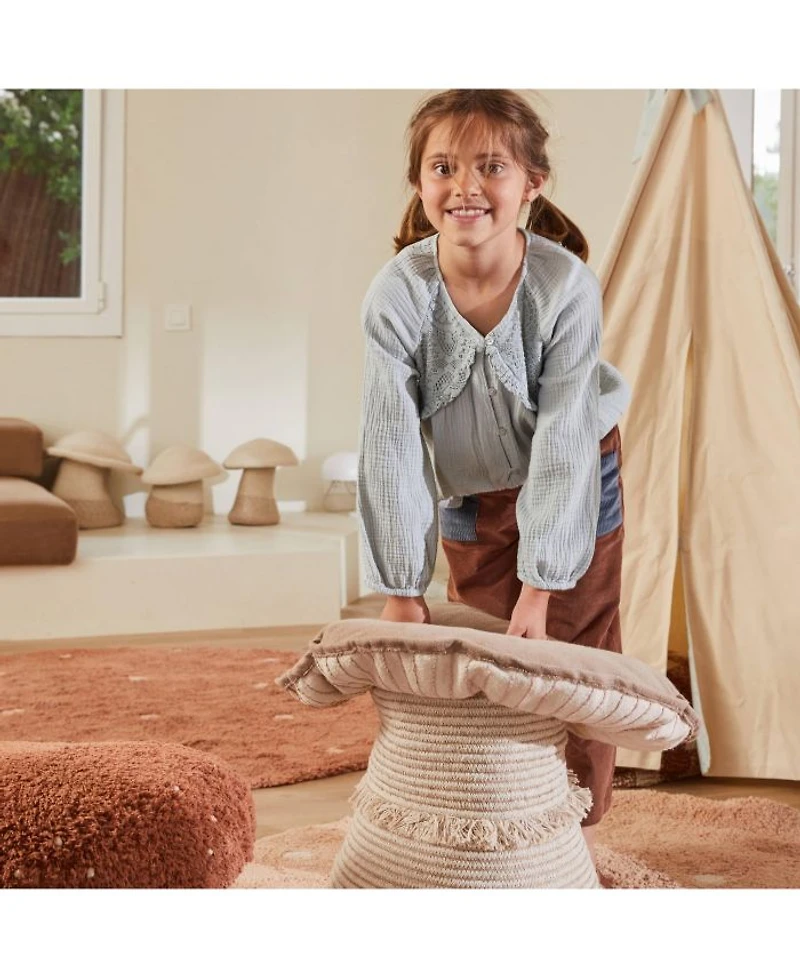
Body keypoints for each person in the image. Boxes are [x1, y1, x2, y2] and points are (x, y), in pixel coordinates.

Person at [356, 89, 630, 868]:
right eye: (443, 167)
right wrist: (402, 586)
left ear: (532, 183)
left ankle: (574, 843)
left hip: (576, 478)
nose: (465, 186)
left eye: (491, 167)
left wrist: (541, 586)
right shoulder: (398, 294)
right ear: (419, 183)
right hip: (472, 494)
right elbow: (389, 445)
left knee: (573, 657)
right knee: (485, 667)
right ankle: (496, 833)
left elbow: (564, 438)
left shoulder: (563, 287)